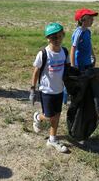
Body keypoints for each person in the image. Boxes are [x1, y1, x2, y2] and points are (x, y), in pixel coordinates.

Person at [29, 23, 69, 153]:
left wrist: (69, 88)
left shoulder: (64, 52)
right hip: (46, 91)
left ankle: (52, 139)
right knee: (49, 116)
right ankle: (37, 117)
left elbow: (68, 70)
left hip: (59, 90)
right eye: (53, 38)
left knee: (57, 115)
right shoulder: (43, 54)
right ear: (48, 39)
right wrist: (32, 89)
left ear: (63, 35)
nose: (57, 40)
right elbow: (36, 72)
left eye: (59, 36)